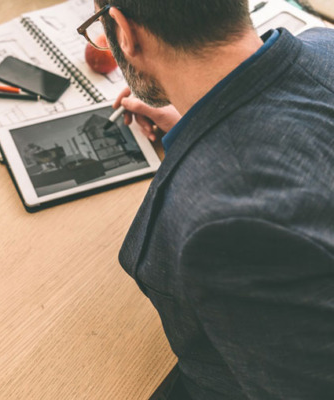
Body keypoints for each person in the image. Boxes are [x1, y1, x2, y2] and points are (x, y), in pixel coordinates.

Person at [79, 1, 334, 398]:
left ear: (123, 32)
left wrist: (207, 151)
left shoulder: (222, 223)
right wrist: (202, 124)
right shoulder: (325, 43)